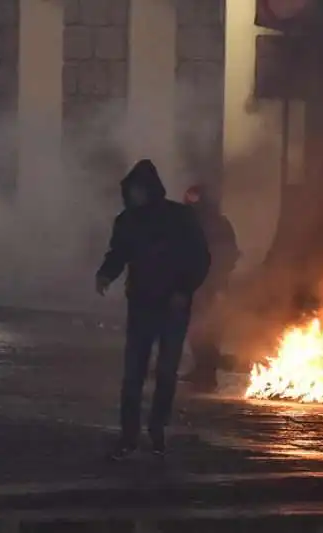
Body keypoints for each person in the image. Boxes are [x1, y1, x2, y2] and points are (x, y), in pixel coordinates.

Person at [96, 160, 211, 460]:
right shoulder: (128, 221)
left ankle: (156, 429)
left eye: (138, 190)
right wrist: (106, 273)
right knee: (133, 372)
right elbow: (119, 253)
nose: (134, 196)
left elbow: (199, 257)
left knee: (165, 372)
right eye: (131, 191)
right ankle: (129, 434)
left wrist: (183, 290)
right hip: (142, 304)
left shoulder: (179, 217)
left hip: (172, 306)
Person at [180, 184, 240, 392]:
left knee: (208, 327)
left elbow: (228, 254)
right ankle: (201, 368)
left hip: (208, 284)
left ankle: (207, 370)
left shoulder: (214, 225)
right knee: (197, 326)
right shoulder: (191, 223)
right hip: (196, 283)